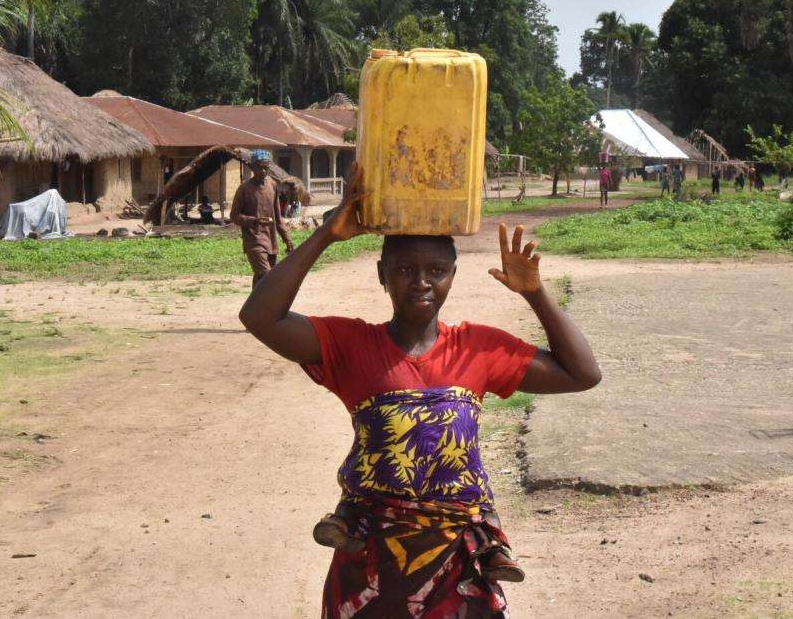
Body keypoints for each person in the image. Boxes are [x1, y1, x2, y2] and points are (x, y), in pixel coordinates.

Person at [238, 166, 601, 617]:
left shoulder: (479, 347)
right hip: (370, 562)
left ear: (452, 274)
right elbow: (259, 317)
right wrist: (327, 235)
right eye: (405, 269)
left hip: (460, 566)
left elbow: (583, 374)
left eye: (436, 270)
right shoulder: (350, 345)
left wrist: (536, 293)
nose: (422, 282)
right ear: (381, 274)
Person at [230, 150, 294, 285]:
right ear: (253, 167)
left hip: (271, 240)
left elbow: (277, 216)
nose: (264, 171)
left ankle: (256, 306)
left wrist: (287, 239)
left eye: (266, 167)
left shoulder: (272, 185)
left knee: (261, 280)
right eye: (260, 167)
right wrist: (253, 221)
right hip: (254, 240)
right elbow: (234, 215)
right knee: (267, 276)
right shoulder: (244, 188)